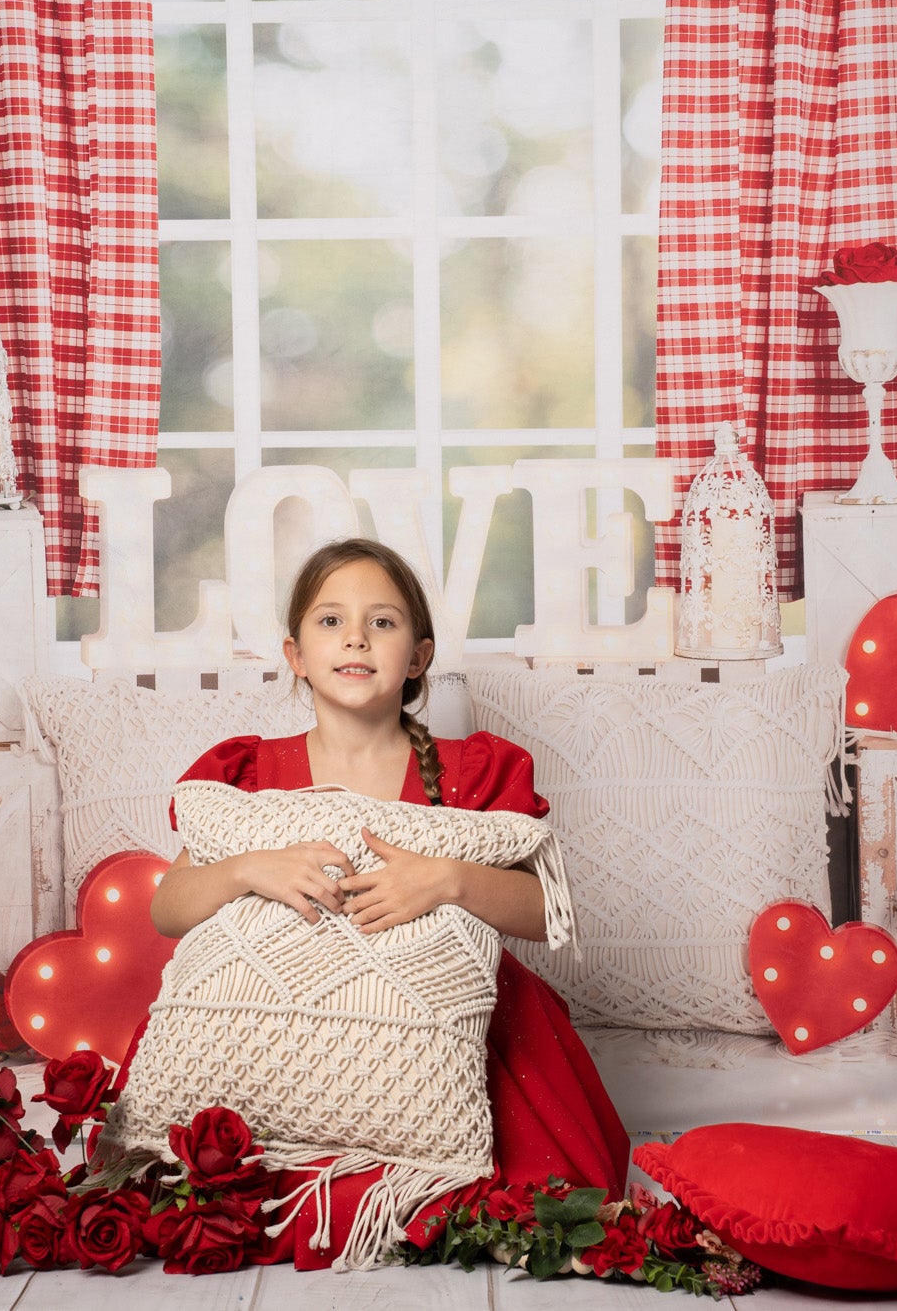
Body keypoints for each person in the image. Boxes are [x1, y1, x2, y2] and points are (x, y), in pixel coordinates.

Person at [133, 536, 629, 1270]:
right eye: (330, 620)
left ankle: (422, 1185)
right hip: (280, 1018)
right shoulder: (250, 773)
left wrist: (447, 880)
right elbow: (168, 907)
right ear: (295, 653)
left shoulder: (472, 772)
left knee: (535, 1199)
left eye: (384, 622)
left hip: (448, 1021)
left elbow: (545, 912)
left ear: (420, 657)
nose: (357, 636)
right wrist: (247, 869)